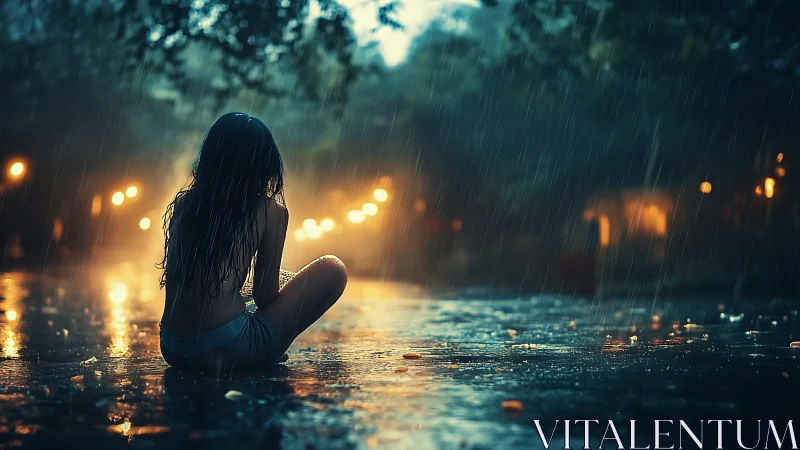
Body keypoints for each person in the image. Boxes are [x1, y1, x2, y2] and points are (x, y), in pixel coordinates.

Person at [157, 112, 347, 372]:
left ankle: (251, 348)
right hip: (225, 345)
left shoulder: (186, 204)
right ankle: (265, 350)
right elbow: (265, 295)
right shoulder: (270, 210)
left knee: (240, 290)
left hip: (173, 346)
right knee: (332, 268)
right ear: (263, 165)